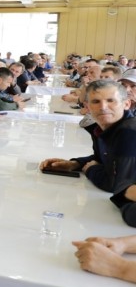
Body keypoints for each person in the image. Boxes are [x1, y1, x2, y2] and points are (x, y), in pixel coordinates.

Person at [40, 80, 136, 226]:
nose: (103, 107)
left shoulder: (128, 133)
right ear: (87, 106)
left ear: (126, 104)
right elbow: (104, 159)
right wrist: (75, 164)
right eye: (96, 101)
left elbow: (115, 185)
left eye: (111, 101)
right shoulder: (102, 129)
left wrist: (90, 169)